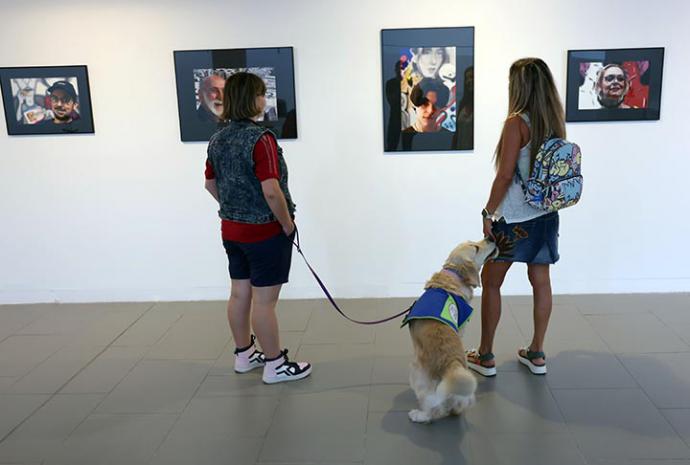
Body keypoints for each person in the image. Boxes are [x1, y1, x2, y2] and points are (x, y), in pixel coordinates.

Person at [204, 72, 311, 384]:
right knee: (264, 301)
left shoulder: (217, 139)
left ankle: (244, 355)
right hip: (264, 233)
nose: (265, 99)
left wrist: (235, 206)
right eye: (262, 94)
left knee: (240, 294)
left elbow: (210, 184)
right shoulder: (261, 139)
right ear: (250, 99)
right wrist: (287, 225)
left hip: (232, 230)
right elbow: (271, 191)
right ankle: (275, 364)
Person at [467, 58, 566, 377]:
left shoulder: (516, 123)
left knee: (492, 281)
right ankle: (537, 353)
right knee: (541, 281)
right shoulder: (554, 122)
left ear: (518, 87)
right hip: (546, 216)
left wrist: (488, 211)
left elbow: (505, 175)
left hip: (513, 221)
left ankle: (485, 356)